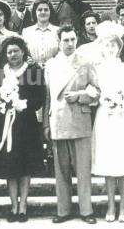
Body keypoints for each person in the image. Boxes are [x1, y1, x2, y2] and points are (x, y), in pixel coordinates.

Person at [44, 25, 99, 225]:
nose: (69, 43)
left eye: (72, 39)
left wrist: (80, 96)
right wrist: (45, 125)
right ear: (59, 42)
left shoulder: (86, 62)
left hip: (80, 120)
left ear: (77, 40)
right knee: (61, 170)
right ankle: (63, 210)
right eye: (65, 40)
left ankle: (86, 210)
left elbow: (97, 91)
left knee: (83, 170)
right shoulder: (50, 64)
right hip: (58, 120)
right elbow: (47, 97)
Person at [0, 36, 45, 223]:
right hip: (4, 124)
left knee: (25, 165)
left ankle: (23, 207)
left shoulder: (33, 70)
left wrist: (24, 104)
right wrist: (0, 102)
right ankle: (13, 206)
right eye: (9, 52)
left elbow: (39, 98)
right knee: (10, 165)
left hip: (26, 124)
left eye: (16, 51)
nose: (13, 54)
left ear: (23, 51)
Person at [91, 31, 124, 223]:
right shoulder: (96, 69)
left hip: (123, 117)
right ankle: (111, 205)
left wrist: (122, 101)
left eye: (113, 45)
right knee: (108, 161)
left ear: (119, 48)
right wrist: (101, 97)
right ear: (101, 48)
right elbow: (93, 92)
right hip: (105, 117)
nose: (110, 49)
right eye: (106, 45)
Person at [22, 0, 59, 67]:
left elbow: (62, 53)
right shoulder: (26, 32)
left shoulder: (58, 31)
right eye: (39, 10)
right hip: (33, 72)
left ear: (50, 12)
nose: (43, 12)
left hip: (54, 71)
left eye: (46, 10)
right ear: (34, 12)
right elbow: (23, 53)